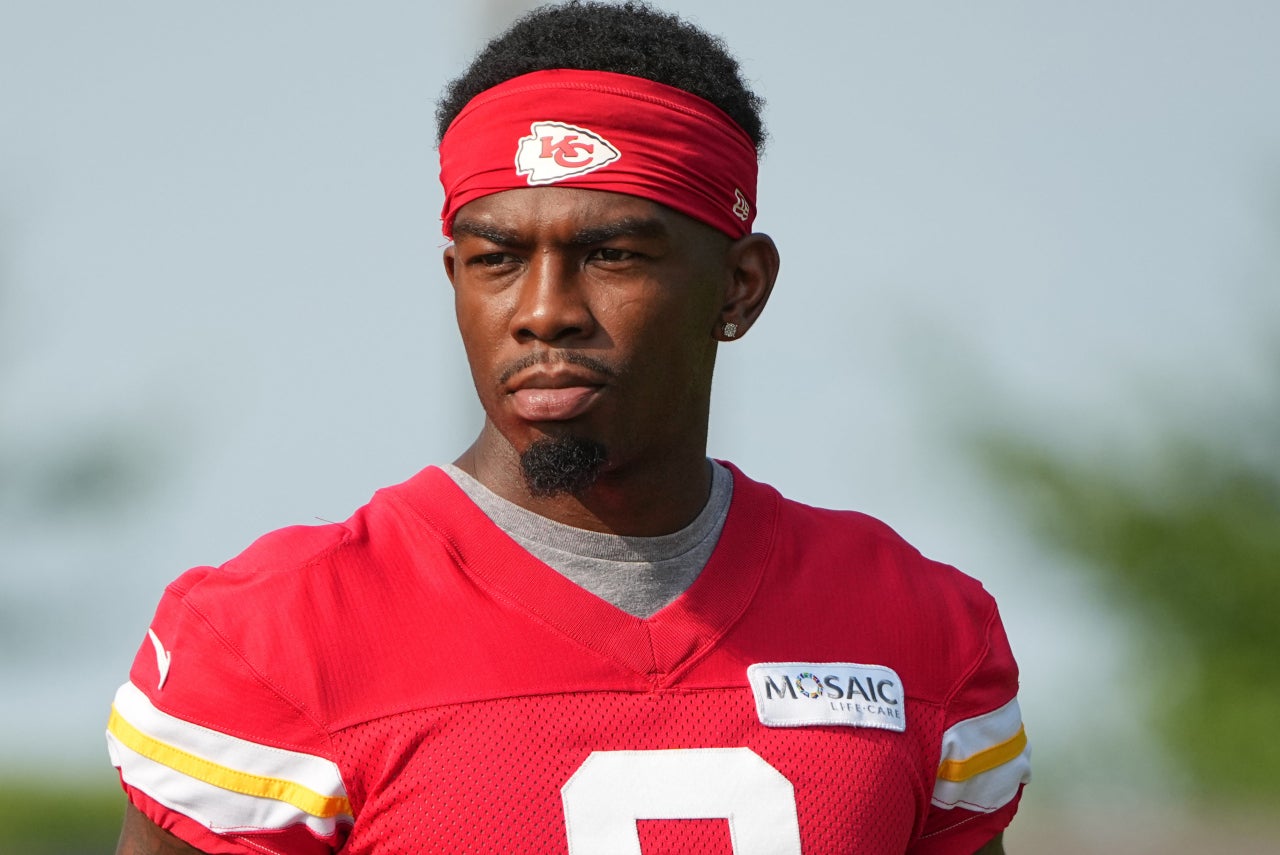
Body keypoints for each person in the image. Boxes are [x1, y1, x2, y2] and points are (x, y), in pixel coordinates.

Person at [106, 2, 1031, 853]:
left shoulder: (918, 627)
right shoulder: (270, 638)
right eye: (498, 258)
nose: (544, 311)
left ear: (739, 286)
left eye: (612, 253)